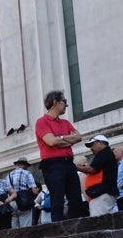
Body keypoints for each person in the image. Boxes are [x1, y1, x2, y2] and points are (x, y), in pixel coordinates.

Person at [35, 90, 86, 221]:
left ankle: (76, 226)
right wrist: (67, 140)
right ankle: (59, 228)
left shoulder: (66, 123)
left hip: (68, 162)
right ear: (55, 102)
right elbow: (51, 141)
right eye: (64, 101)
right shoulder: (42, 122)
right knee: (57, 198)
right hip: (53, 164)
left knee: (75, 198)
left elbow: (78, 137)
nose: (66, 105)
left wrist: (60, 139)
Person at [77, 135, 118, 217]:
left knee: (99, 220)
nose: (91, 148)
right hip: (102, 193)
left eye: (92, 144)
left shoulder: (104, 153)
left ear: (101, 143)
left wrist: (74, 167)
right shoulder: (105, 154)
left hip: (102, 193)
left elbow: (92, 169)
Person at [7, 157, 37, 228]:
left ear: (17, 164)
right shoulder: (27, 173)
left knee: (14, 227)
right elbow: (34, 191)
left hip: (12, 202)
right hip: (24, 202)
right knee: (25, 227)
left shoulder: (9, 175)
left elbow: (7, 190)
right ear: (25, 165)